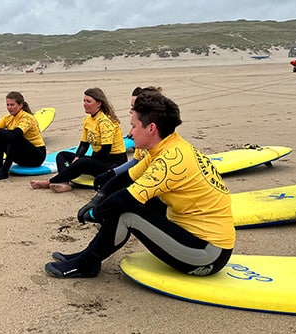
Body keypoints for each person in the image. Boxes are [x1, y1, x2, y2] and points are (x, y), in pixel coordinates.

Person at [45, 90, 234, 279]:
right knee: (132, 201)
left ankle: (87, 264)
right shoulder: (167, 147)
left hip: (207, 254)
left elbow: (124, 199)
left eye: (134, 126)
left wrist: (95, 213)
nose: (130, 133)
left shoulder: (171, 161)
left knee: (127, 212)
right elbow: (126, 178)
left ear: (151, 128)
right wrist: (97, 200)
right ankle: (87, 256)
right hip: (188, 233)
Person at [30, 88, 127, 193]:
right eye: (84, 101)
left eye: (88, 101)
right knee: (62, 155)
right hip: (100, 159)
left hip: (114, 163)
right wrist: (77, 157)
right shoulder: (88, 120)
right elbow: (84, 144)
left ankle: (49, 182)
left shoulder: (105, 122)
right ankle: (65, 183)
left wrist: (85, 161)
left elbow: (105, 150)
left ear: (99, 103)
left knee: (83, 162)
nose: (84, 104)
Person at [92, 86, 162, 191]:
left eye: (134, 107)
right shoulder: (142, 135)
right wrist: (111, 174)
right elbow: (136, 161)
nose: (130, 111)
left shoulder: (160, 139)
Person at [0, 91, 46, 181]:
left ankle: (4, 171)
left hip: (36, 157)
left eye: (12, 105)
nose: (9, 108)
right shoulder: (8, 118)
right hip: (21, 157)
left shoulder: (27, 118)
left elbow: (15, 135)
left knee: (14, 137)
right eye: (8, 105)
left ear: (21, 105)